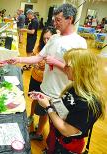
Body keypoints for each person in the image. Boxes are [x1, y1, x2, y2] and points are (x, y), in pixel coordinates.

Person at [8, 3, 87, 145]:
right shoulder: (54, 38)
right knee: (44, 114)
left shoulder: (79, 42)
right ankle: (41, 136)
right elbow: (39, 57)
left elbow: (77, 73)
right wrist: (18, 59)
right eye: (54, 19)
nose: (54, 23)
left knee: (58, 127)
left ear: (70, 19)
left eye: (58, 20)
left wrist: (56, 62)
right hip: (46, 87)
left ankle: (52, 146)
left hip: (61, 93)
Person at [29, 48, 105, 153]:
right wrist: (48, 99)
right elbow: (65, 104)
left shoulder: (89, 103)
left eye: (67, 66)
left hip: (67, 145)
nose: (64, 68)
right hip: (56, 136)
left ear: (80, 69)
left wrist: (48, 107)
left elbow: (67, 130)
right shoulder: (75, 86)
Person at [27, 26, 57, 141]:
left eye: (48, 39)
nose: (46, 41)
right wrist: (34, 63)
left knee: (44, 106)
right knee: (34, 99)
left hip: (45, 83)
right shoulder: (40, 47)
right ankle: (31, 116)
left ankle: (39, 132)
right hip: (35, 77)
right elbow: (34, 58)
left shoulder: (55, 50)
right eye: (44, 39)